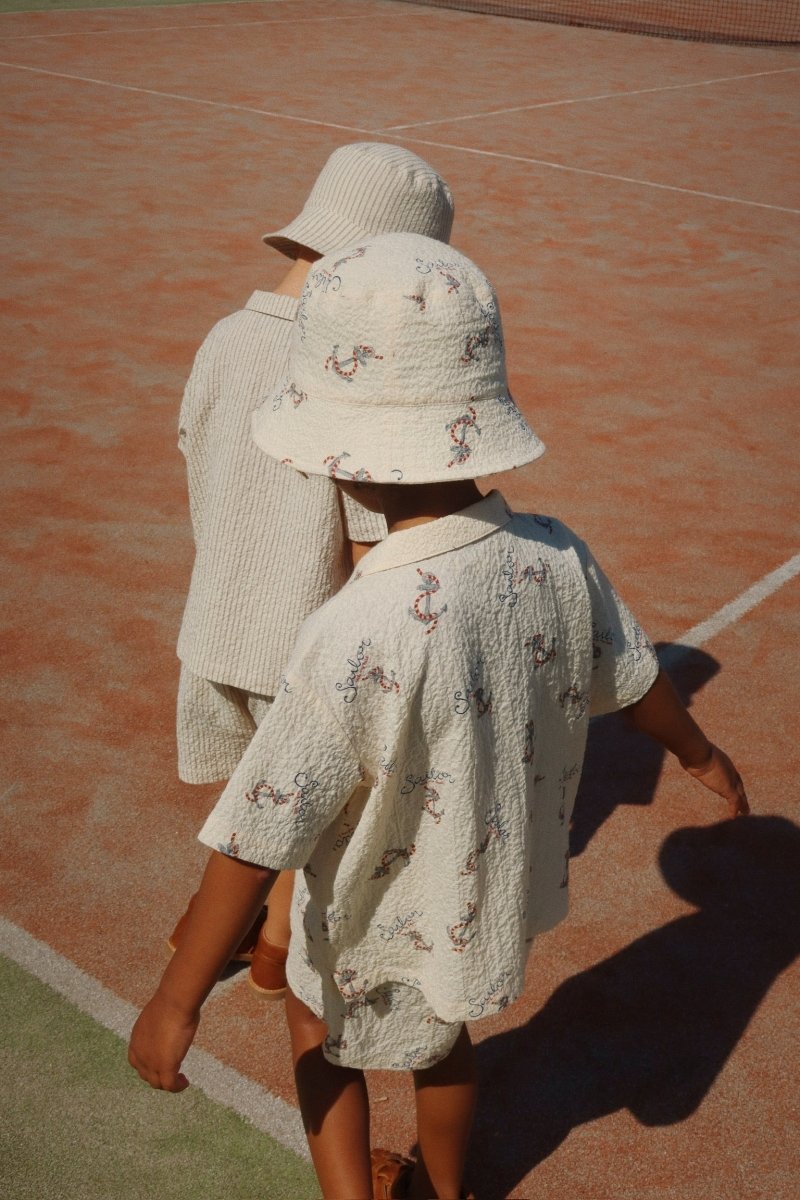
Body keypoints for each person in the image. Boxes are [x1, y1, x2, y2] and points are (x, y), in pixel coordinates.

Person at [130, 233, 749, 1200]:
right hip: (473, 897)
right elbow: (633, 679)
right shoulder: (556, 551)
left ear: (341, 456)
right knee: (445, 1039)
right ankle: (449, 1193)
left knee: (318, 1031)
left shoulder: (356, 628)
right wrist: (701, 752)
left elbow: (261, 829)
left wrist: (176, 999)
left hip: (369, 905)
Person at [170, 145, 455, 996]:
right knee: (319, 810)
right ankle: (272, 948)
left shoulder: (225, 336)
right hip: (305, 652)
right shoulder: (346, 368)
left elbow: (196, 452)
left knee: (250, 794)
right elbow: (372, 545)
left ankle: (222, 930)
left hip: (214, 624)